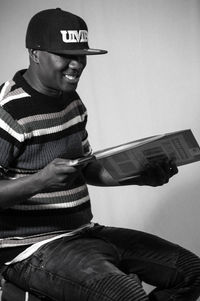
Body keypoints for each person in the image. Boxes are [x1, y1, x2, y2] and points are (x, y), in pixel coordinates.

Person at [0, 8, 200, 301]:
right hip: (31, 250)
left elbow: (85, 169)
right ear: (35, 54)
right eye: (65, 55)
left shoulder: (71, 100)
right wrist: (41, 180)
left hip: (84, 232)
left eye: (80, 55)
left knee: (192, 272)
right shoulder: (8, 112)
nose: (76, 65)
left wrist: (138, 178)